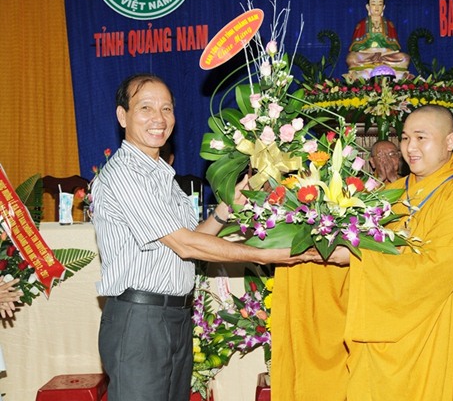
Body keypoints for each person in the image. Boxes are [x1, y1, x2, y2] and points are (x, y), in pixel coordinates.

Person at [92, 73, 301, 401]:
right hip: (139, 321)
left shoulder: (163, 176)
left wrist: (227, 207)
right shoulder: (123, 175)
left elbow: (190, 239)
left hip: (174, 318)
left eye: (167, 108)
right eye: (146, 108)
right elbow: (185, 244)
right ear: (123, 116)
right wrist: (267, 255)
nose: (159, 118)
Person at [272, 106, 453, 400]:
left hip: (431, 338)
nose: (410, 147)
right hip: (375, 340)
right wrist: (309, 251)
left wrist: (356, 258)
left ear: (449, 142)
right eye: (405, 138)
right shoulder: (390, 195)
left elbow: (434, 270)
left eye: (421, 138)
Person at [345, 0, 411, 80]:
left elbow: (395, 47)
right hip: (368, 55)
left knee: (405, 58)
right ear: (368, 7)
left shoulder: (389, 24)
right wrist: (372, 53)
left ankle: (387, 69)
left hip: (385, 55)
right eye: (373, 4)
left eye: (380, 4)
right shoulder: (362, 24)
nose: (376, 7)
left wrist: (381, 53)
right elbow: (355, 46)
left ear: (383, 7)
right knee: (351, 58)